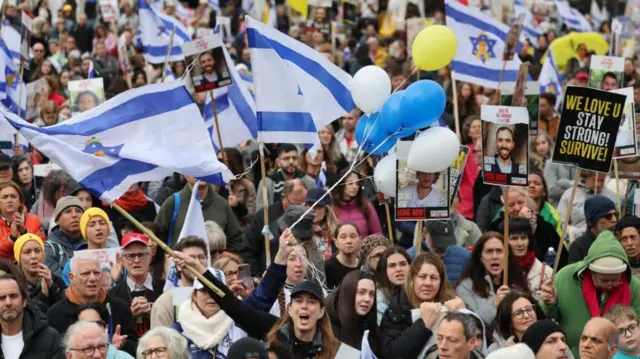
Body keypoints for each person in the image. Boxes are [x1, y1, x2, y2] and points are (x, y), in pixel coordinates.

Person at [539, 231, 640, 358]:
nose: (609, 285)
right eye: (604, 280)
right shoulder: (565, 278)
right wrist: (549, 303)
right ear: (590, 271)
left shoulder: (634, 286)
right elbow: (548, 318)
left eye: (615, 280)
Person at [380, 253, 466, 358]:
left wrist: (466, 315)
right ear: (412, 280)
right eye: (422, 277)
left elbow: (481, 343)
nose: (428, 283)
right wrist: (423, 325)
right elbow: (391, 355)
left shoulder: (452, 304)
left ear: (441, 282)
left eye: (433, 278)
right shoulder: (396, 311)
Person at [47, 257, 139, 356]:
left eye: (96, 273)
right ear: (71, 277)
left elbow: (135, 348)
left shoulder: (119, 307)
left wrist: (121, 346)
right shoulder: (56, 314)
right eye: (86, 273)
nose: (92, 278)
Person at [455, 232, 530, 326]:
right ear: (480, 257)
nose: (495, 257)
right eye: (489, 251)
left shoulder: (518, 283)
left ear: (507, 255)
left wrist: (546, 303)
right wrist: (494, 304)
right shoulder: (466, 288)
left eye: (499, 251)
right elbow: (473, 325)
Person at [155, 175, 244, 252]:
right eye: (195, 169)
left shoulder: (222, 204)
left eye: (203, 169)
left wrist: (223, 259)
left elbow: (237, 241)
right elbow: (155, 238)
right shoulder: (173, 203)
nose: (200, 173)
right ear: (185, 174)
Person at [172, 268, 247, 358]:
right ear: (194, 295)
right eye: (205, 290)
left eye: (217, 290)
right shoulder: (178, 331)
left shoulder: (242, 322)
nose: (212, 296)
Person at [243, 179, 308, 276]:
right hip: (269, 276)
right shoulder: (265, 216)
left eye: (303, 205)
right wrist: (258, 277)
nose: (299, 210)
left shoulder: (308, 216)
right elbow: (249, 251)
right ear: (283, 198)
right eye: (295, 205)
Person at [108, 233, 165, 337]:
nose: (137, 260)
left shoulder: (165, 288)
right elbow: (112, 331)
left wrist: (153, 310)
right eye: (131, 256)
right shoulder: (114, 293)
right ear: (122, 260)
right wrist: (129, 314)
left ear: (150, 258)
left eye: (142, 255)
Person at [0, 273, 65, 359]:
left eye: (13, 296)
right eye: (1, 298)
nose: (8, 302)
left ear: (24, 301)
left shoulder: (50, 338)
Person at [151, 236, 210, 328]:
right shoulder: (166, 302)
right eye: (191, 258)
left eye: (201, 257)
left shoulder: (216, 297)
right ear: (178, 265)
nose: (197, 263)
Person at [324, 270, 380, 355]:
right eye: (361, 292)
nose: (367, 299)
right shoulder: (329, 328)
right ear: (348, 293)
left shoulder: (370, 326)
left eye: (371, 294)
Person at [557, 171, 618, 241]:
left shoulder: (610, 195)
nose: (598, 184)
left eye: (602, 180)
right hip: (575, 241)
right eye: (595, 180)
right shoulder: (570, 194)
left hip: (604, 241)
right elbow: (560, 223)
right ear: (586, 178)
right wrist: (572, 233)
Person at [498, 218, 550, 298]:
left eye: (523, 238)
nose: (520, 243)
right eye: (514, 238)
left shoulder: (546, 272)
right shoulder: (497, 270)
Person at [13, 233, 64, 312]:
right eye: (27, 252)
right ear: (18, 258)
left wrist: (52, 286)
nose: (34, 256)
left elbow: (65, 309)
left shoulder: (55, 280)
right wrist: (43, 295)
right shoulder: (13, 283)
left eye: (37, 251)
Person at [255, 144, 316, 210]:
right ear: (278, 162)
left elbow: (313, 208)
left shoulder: (309, 182)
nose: (291, 161)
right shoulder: (266, 182)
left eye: (294, 158)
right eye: (286, 158)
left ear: (298, 160)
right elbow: (260, 211)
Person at [0, 181, 45, 261]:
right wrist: (11, 238)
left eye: (13, 196)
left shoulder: (34, 220)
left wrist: (24, 232)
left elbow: (41, 248)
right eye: (5, 197)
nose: (9, 200)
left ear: (20, 202)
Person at [568, 195, 618, 264]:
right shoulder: (578, 247)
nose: (614, 219)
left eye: (615, 214)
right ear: (592, 222)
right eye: (608, 216)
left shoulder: (619, 241)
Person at [331, 170, 382, 237]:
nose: (355, 187)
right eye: (350, 183)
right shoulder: (332, 207)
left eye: (357, 183)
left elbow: (377, 232)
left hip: (363, 246)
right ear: (342, 184)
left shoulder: (366, 205)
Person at [44, 196, 84, 277]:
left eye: (78, 211)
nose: (74, 215)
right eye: (68, 211)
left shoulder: (94, 242)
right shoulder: (49, 248)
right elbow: (59, 281)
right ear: (57, 220)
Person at [374, 247, 410, 325]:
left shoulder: (419, 292)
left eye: (403, 264)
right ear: (384, 270)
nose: (398, 269)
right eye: (392, 265)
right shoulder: (379, 298)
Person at [325, 223, 362, 289]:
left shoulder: (364, 266)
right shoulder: (327, 267)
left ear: (360, 240)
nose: (348, 241)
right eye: (343, 237)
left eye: (353, 236)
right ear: (336, 242)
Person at [305, 188, 339, 260]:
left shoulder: (337, 232)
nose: (312, 210)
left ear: (326, 210)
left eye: (318, 206)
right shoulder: (299, 231)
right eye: (310, 205)